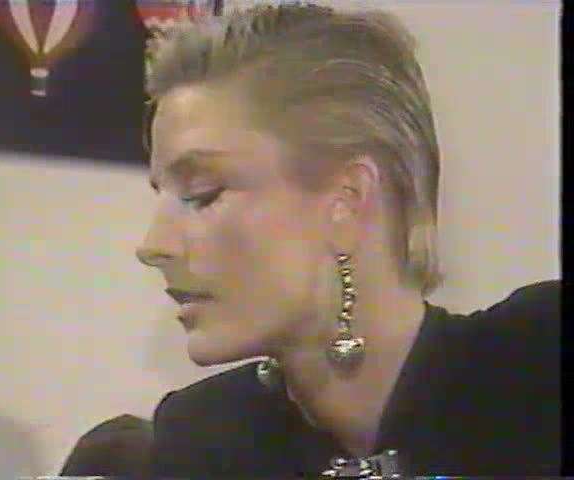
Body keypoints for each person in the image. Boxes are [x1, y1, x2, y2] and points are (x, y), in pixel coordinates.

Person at [61, 3, 560, 478]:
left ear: (348, 199)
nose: (153, 244)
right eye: (162, 194)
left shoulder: (539, 362)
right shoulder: (202, 438)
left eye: (202, 193)